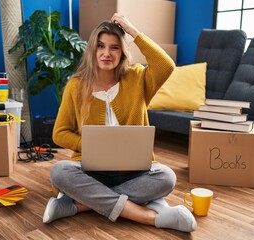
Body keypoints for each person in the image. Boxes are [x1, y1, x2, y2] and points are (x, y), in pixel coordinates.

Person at [43, 13, 197, 233]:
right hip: (90, 169)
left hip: (133, 170)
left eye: (114, 47)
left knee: (166, 177)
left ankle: (79, 205)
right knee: (59, 171)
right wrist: (92, 147)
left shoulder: (137, 78)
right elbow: (59, 133)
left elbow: (166, 66)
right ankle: (148, 216)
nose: (107, 53)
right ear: (92, 50)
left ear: (123, 51)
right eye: (101, 46)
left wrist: (132, 30)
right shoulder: (76, 86)